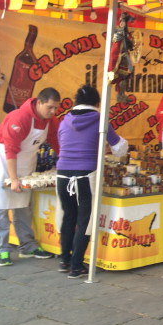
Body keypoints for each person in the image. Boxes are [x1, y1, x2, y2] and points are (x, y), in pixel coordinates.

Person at [56, 85, 128, 279]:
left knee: (68, 216)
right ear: (98, 104)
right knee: (84, 220)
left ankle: (64, 260)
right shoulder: (99, 119)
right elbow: (120, 148)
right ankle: (76, 266)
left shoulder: (65, 120)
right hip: (85, 175)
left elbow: (63, 143)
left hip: (62, 175)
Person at [0, 88, 60, 266]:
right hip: (3, 160)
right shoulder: (19, 117)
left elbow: (57, 141)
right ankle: (2, 249)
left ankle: (28, 246)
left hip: (26, 163)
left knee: (23, 206)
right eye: (50, 107)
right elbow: (11, 149)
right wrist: (14, 178)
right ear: (39, 102)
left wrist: (62, 162)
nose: (53, 112)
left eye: (55, 108)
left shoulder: (50, 120)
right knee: (1, 206)